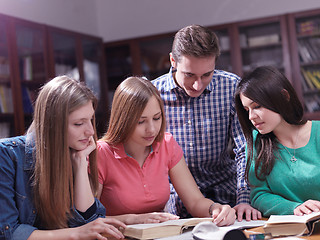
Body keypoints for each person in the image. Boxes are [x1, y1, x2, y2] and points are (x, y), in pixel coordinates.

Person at [152, 24, 260, 221]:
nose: (197, 85)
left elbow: (244, 147)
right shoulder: (153, 94)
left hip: (226, 194)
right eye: (189, 75)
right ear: (173, 61)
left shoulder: (230, 86)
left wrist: (244, 198)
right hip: (173, 201)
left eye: (207, 75)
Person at [97, 76, 236, 226]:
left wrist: (215, 209)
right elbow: (87, 220)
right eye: (141, 121)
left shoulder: (166, 145)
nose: (151, 129)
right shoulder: (101, 153)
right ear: (123, 119)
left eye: (157, 118)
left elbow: (195, 202)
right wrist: (132, 219)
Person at [0, 76, 126, 240]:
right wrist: (76, 234)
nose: (91, 132)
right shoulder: (7, 155)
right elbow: (9, 232)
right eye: (79, 124)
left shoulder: (74, 150)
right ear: (53, 125)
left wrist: (80, 165)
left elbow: (91, 222)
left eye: (91, 120)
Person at [234, 66, 320, 217]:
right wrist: (294, 208)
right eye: (247, 110)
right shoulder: (256, 143)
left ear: (284, 96)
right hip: (289, 230)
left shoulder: (317, 133)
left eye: (257, 106)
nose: (251, 117)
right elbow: (259, 195)